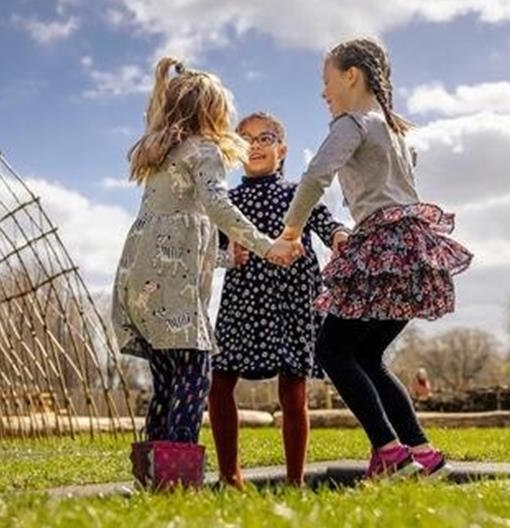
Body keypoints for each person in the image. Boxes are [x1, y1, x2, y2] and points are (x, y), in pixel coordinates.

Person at [270, 38, 473, 479]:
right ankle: (422, 453)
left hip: (384, 247)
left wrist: (290, 231)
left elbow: (315, 176)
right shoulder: (393, 129)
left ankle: (389, 452)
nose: (323, 93)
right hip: (414, 251)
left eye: (326, 81)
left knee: (331, 349)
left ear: (351, 76)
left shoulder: (352, 123)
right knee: (366, 356)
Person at [111, 57, 302, 487]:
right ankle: (176, 481)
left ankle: (151, 477)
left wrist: (225, 259)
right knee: (196, 376)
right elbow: (218, 209)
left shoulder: (161, 154)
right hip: (174, 293)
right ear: (212, 112)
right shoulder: (205, 152)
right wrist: (267, 246)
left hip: (140, 284)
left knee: (166, 384)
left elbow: (181, 231)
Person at [209, 111, 349, 488]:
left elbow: (324, 221)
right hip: (243, 297)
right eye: (246, 138)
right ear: (234, 150)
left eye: (264, 137)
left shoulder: (296, 191)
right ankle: (229, 475)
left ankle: (294, 480)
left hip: (292, 297)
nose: (254, 145)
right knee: (219, 380)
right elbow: (209, 248)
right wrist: (226, 255)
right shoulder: (226, 200)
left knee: (293, 387)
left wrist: (337, 236)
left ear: (282, 149)